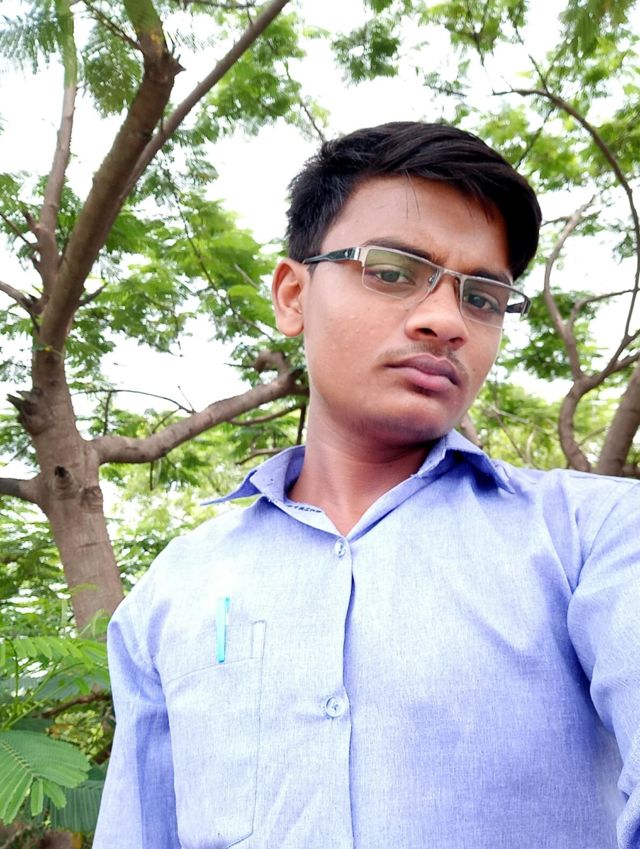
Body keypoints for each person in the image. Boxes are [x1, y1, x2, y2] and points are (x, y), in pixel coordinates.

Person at [93, 122, 640, 849]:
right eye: (391, 270)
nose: (446, 320)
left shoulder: (595, 536)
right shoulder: (173, 590)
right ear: (293, 295)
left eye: (483, 298)